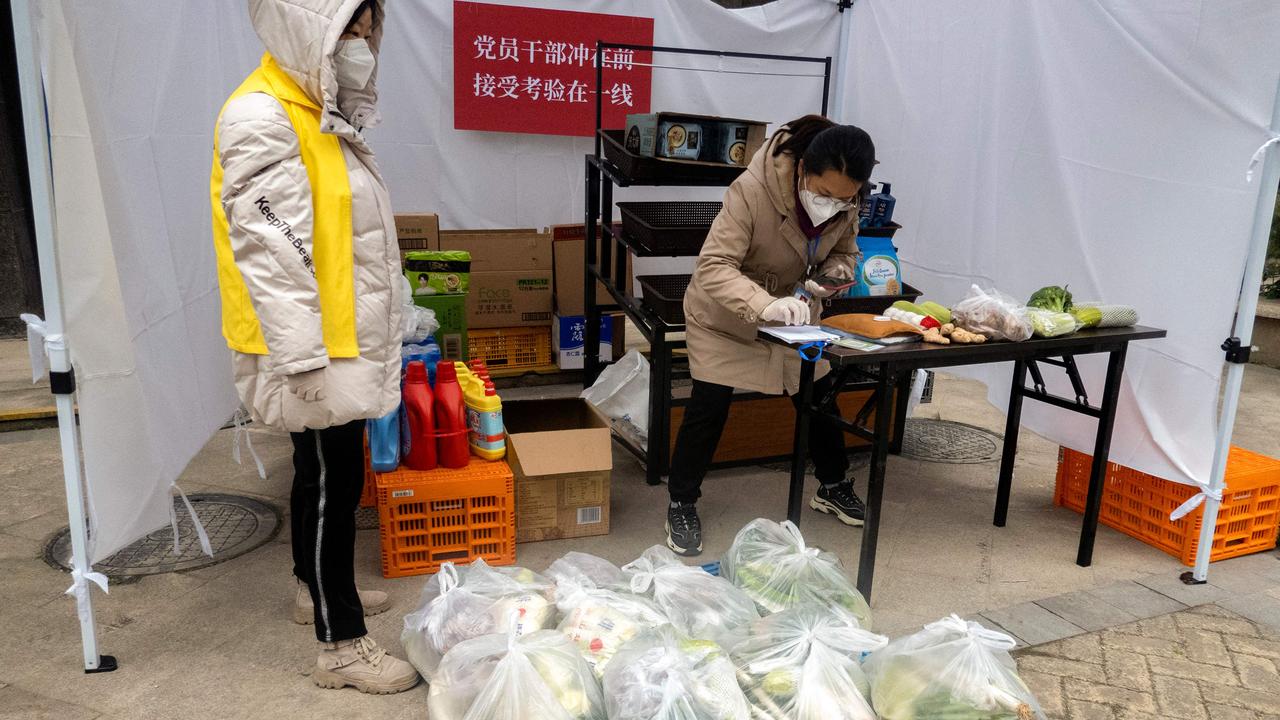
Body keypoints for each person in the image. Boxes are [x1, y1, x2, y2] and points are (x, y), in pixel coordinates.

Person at [210, 0, 417, 693]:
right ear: (308, 30)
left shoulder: (313, 110)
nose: (361, 43)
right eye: (346, 30)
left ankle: (311, 590)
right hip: (311, 347)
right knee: (334, 484)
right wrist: (302, 361)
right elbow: (273, 254)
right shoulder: (261, 118)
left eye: (368, 30)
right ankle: (343, 647)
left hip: (329, 335)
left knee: (315, 475)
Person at [666, 115, 877, 556]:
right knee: (709, 402)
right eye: (823, 194)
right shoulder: (752, 190)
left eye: (844, 198)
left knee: (817, 397)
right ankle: (681, 502)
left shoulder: (846, 202)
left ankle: (832, 484)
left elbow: (846, 253)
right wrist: (764, 305)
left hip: (794, 315)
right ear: (802, 171)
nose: (832, 204)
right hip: (725, 315)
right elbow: (714, 267)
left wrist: (830, 279)